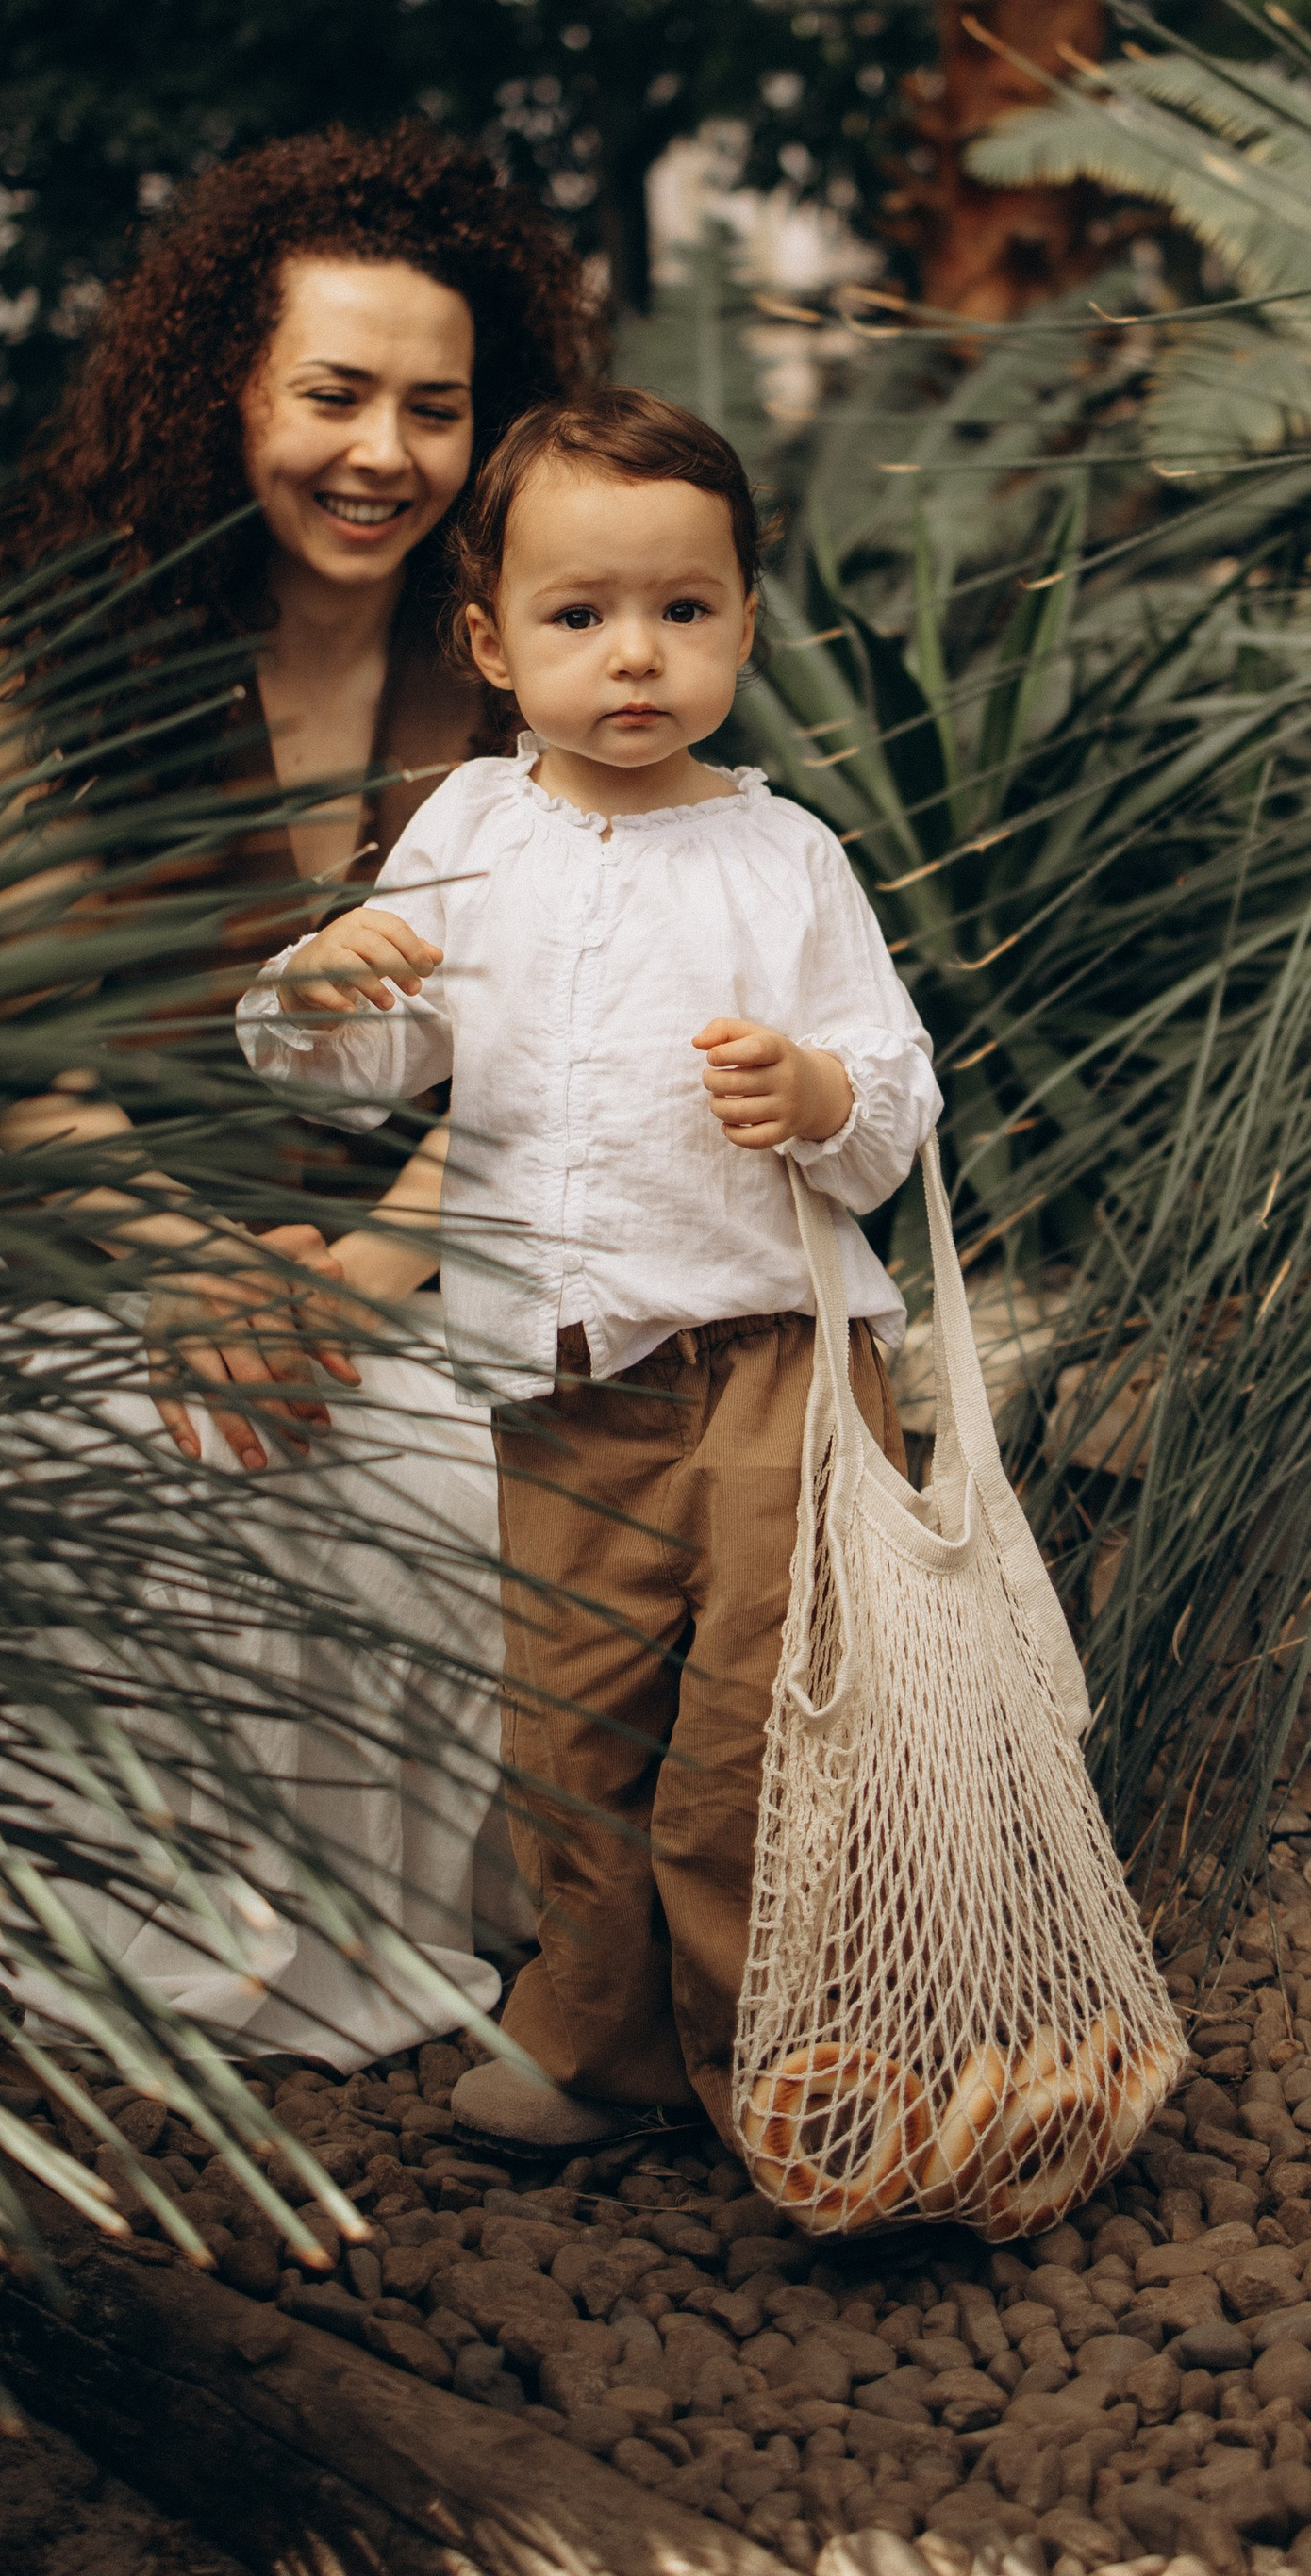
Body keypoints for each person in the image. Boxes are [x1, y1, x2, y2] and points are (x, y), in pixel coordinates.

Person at [237, 388, 940, 2148]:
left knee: (759, 1732)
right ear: (491, 643)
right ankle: (604, 2047)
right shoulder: (472, 834)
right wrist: (318, 994)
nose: (636, 655)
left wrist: (820, 1092)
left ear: (745, 625)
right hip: (558, 1385)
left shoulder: (784, 854)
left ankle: (790, 2055)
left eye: (682, 609)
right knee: (570, 1729)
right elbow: (360, 1069)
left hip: (776, 1365)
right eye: (579, 614)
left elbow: (895, 1097)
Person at [0, 123, 589, 2066]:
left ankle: (482, 1938)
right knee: (145, 1463)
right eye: (332, 394)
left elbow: (567, 1043)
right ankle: (152, 1947)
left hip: (434, 1247)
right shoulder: (61, 660)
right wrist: (190, 1265)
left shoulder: (533, 684)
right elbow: (28, 1058)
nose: (381, 452)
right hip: (116, 1250)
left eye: (434, 408)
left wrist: (361, 1277)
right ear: (225, 393)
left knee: (454, 1475)